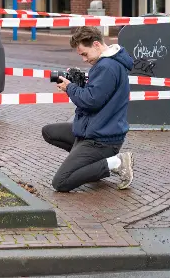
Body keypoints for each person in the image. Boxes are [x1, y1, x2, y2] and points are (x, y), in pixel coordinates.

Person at [42, 26, 135, 192]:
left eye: (85, 54)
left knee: (61, 182)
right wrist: (80, 85)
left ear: (97, 45)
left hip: (102, 139)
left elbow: (91, 101)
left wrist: (70, 88)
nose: (84, 59)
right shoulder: (108, 63)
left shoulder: (106, 67)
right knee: (49, 131)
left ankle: (116, 162)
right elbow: (98, 95)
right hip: (94, 129)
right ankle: (90, 166)